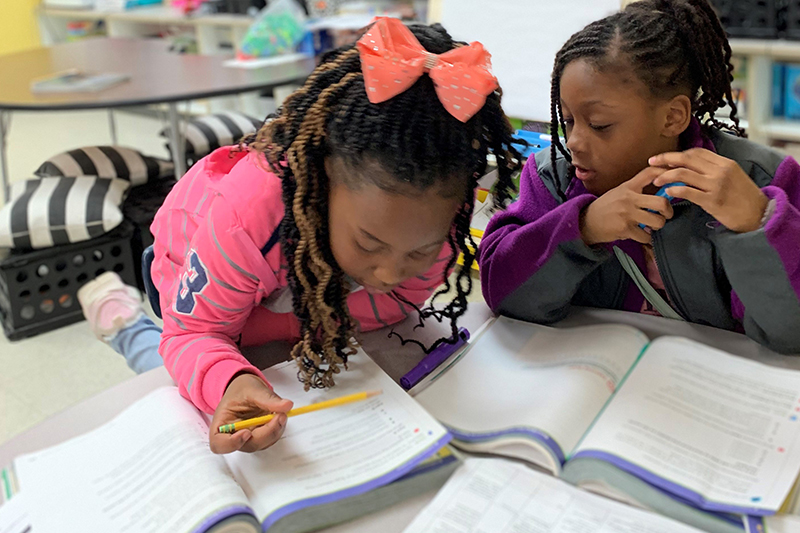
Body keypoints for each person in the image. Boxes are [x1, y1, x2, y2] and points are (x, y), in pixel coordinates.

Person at [78, 18, 519, 454]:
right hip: (196, 271)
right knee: (173, 381)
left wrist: (313, 331)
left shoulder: (439, 219)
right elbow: (193, 335)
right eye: (369, 243)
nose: (389, 272)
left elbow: (385, 311)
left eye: (419, 251)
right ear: (322, 182)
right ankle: (121, 320)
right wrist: (233, 380)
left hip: (290, 307)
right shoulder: (245, 220)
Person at [479, 0, 800, 354]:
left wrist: (757, 224)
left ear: (673, 117)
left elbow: (791, 333)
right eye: (568, 120)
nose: (573, 142)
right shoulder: (552, 177)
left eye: (600, 125)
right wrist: (583, 228)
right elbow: (503, 295)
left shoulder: (763, 179)